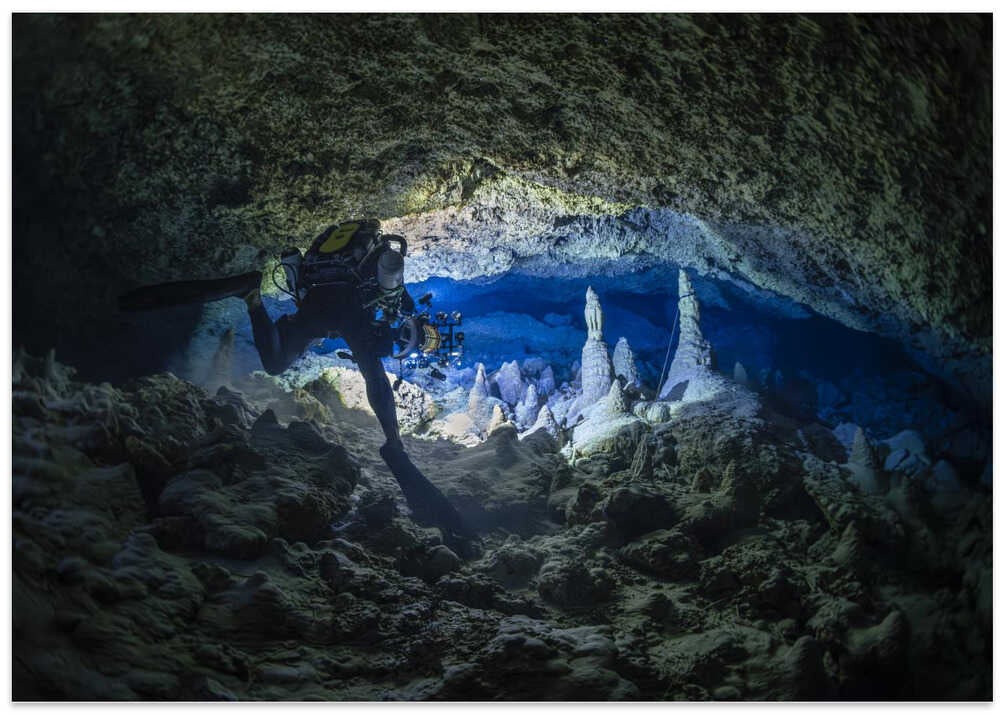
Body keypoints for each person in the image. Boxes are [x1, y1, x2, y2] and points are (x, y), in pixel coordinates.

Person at [119, 220, 474, 554]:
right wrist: (406, 335)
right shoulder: (392, 300)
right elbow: (379, 370)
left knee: (275, 362)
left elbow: (393, 314)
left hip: (319, 301)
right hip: (343, 309)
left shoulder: (370, 272)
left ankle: (251, 294)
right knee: (371, 369)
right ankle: (393, 444)